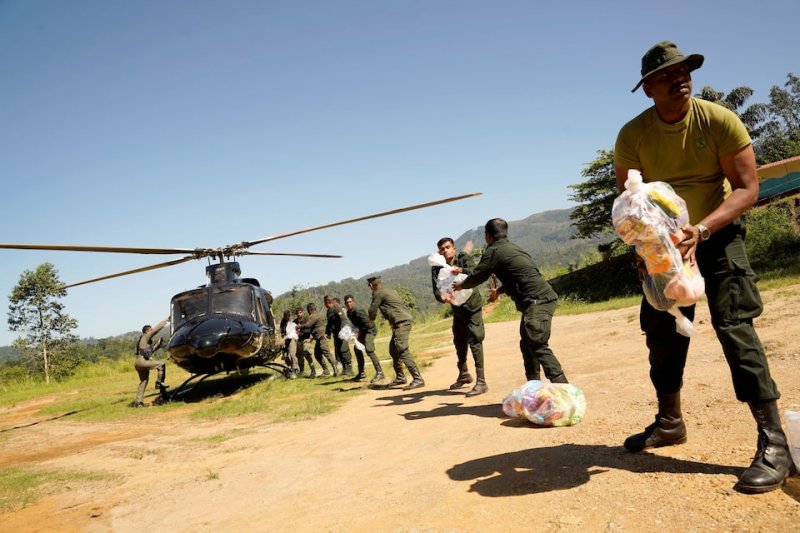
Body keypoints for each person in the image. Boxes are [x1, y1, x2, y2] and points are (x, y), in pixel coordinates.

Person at [614, 41, 792, 494]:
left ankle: (774, 443)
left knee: (736, 327)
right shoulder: (633, 135)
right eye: (667, 74)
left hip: (718, 234)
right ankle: (669, 422)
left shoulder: (718, 120)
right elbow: (630, 206)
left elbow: (747, 188)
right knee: (662, 332)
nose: (679, 78)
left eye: (684, 70)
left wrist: (703, 229)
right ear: (648, 88)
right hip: (664, 248)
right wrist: (645, 251)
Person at [454, 218, 568, 384]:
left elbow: (478, 275)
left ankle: (565, 389)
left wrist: (461, 285)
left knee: (536, 344)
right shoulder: (514, 248)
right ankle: (533, 388)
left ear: (487, 235)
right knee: (527, 344)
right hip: (540, 298)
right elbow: (517, 277)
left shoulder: (494, 251)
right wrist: (499, 291)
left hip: (536, 301)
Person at [432, 237, 487, 396]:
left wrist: (461, 270)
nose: (445, 251)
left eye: (447, 247)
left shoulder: (463, 258)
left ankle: (481, 381)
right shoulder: (437, 266)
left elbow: (475, 273)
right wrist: (442, 298)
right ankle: (464, 374)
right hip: (457, 308)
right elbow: (436, 288)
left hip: (472, 305)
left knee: (475, 339)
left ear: (454, 248)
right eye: (442, 249)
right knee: (459, 340)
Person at [367, 276, 424, 390]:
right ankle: (400, 377)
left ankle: (418, 379)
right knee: (393, 350)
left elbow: (372, 310)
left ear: (371, 285)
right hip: (401, 322)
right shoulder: (389, 290)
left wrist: (370, 321)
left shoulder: (378, 293)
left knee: (402, 349)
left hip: (401, 323)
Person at [344, 293, 385, 383]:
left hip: (370, 330)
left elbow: (367, 323)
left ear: (353, 302)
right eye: (347, 303)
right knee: (357, 349)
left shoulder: (358, 311)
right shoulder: (349, 313)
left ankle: (380, 372)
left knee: (369, 349)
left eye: (350, 302)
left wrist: (359, 332)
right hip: (362, 331)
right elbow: (356, 324)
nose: (348, 304)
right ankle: (361, 373)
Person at [133, 316, 170, 407]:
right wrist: (166, 320)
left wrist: (158, 344)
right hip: (142, 362)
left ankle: (138, 402)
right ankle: (159, 383)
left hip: (138, 363)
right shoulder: (145, 336)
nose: (152, 330)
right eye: (150, 330)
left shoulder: (144, 341)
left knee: (144, 381)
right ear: (147, 331)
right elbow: (156, 329)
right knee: (161, 364)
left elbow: (149, 352)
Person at [298, 302, 338, 377]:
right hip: (318, 338)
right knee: (317, 355)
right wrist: (311, 338)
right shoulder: (315, 315)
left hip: (321, 338)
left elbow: (308, 325)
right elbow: (313, 329)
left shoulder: (314, 316)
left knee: (326, 353)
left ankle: (336, 369)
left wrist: (299, 326)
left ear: (309, 309)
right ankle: (326, 370)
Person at [324, 295, 354, 376]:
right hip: (336, 334)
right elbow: (329, 323)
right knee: (339, 351)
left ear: (328, 302)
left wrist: (342, 333)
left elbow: (343, 320)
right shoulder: (329, 311)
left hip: (342, 333)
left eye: (325, 302)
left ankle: (350, 369)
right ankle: (344, 369)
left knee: (344, 350)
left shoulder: (337, 308)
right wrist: (327, 333)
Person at [294, 307, 317, 378]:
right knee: (299, 356)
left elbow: (309, 330)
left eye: (300, 312)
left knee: (307, 353)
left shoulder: (306, 320)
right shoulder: (294, 321)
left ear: (303, 313)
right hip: (298, 341)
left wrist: (300, 330)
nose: (299, 314)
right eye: (297, 313)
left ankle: (313, 371)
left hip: (305, 339)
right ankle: (301, 371)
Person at [279, 310, 300, 378]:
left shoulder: (292, 324)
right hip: (285, 340)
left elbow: (291, 334)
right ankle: (290, 368)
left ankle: (295, 369)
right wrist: (282, 339)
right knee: (285, 356)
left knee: (292, 354)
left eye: (288, 316)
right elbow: (282, 332)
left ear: (289, 316)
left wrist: (283, 339)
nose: (287, 317)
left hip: (291, 339)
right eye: (285, 316)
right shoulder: (282, 323)